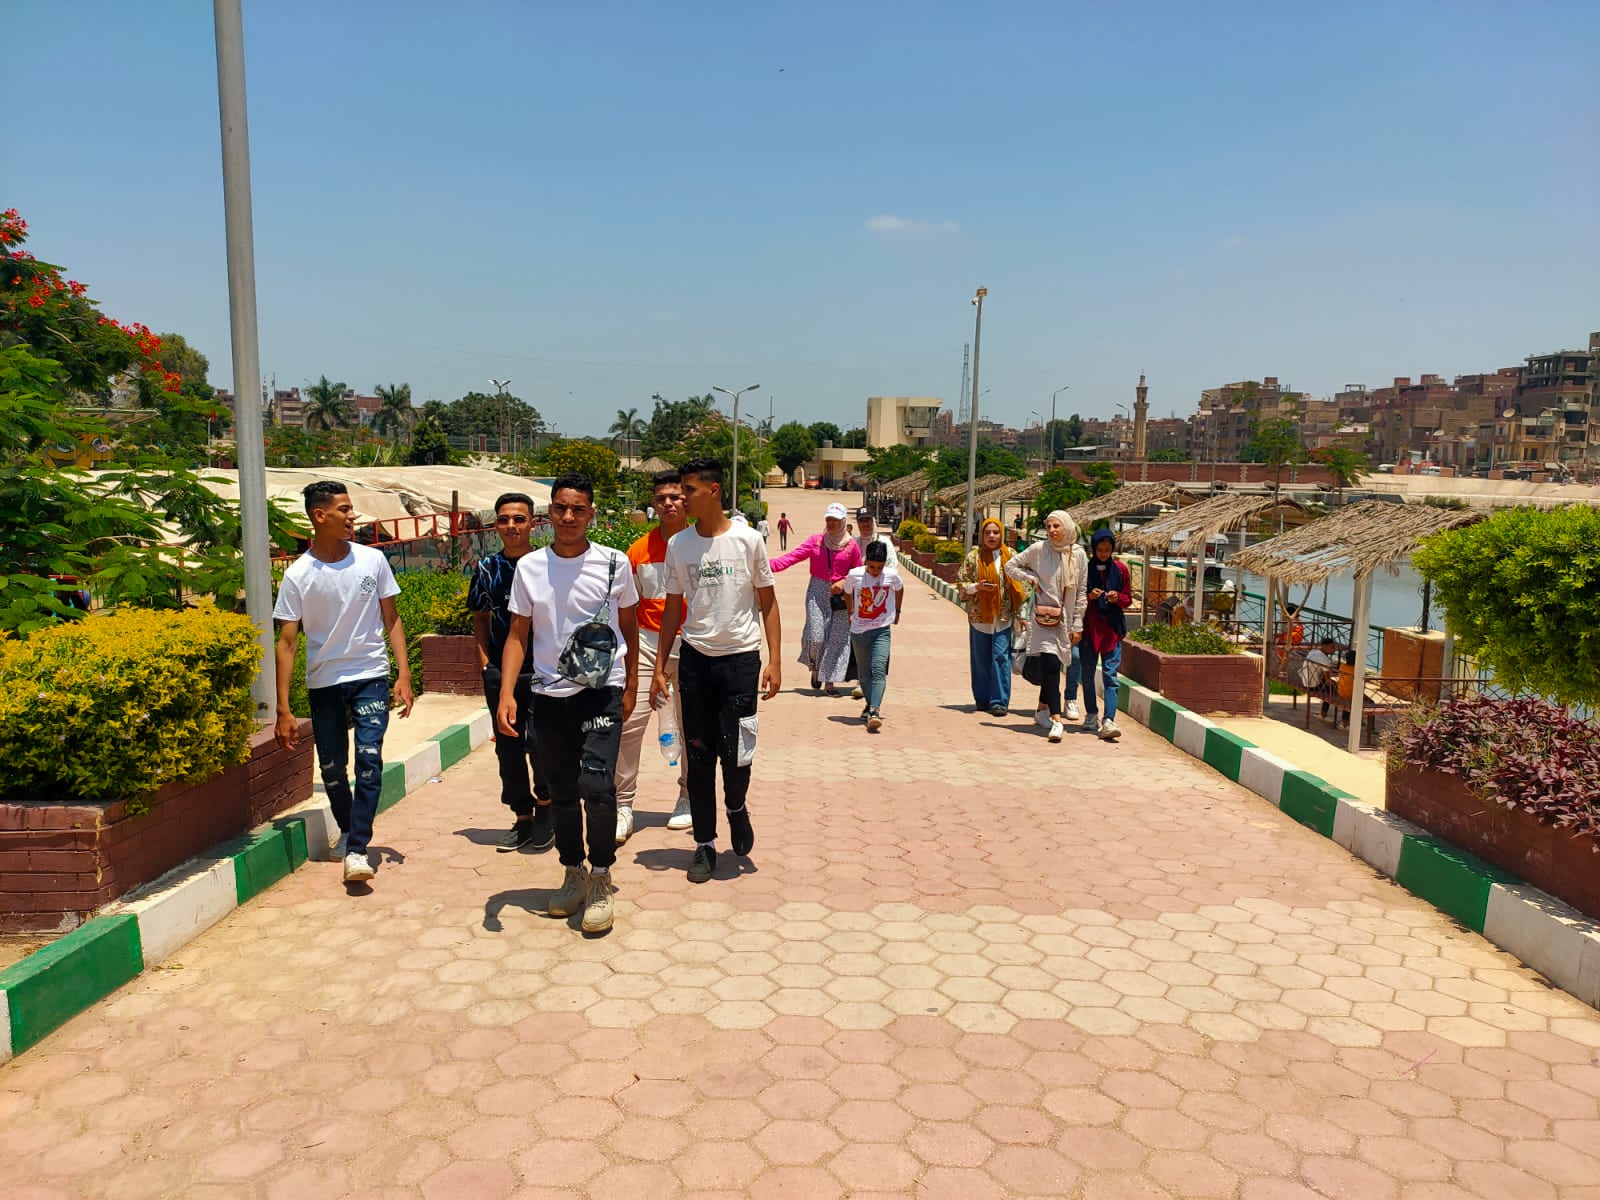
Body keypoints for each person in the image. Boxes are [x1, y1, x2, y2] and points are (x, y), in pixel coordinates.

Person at [497, 473, 640, 934]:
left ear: (591, 514)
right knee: (560, 791)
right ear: (549, 513)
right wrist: (506, 694)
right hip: (548, 695)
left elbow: (629, 626)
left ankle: (601, 877)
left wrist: (632, 682)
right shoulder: (530, 567)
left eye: (578, 509)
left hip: (601, 691)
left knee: (596, 786)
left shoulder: (614, 563)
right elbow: (518, 633)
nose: (568, 516)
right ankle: (573, 871)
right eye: (561, 507)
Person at [273, 481, 415, 884]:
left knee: (369, 760)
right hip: (324, 683)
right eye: (345, 509)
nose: (353, 516)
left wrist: (404, 674)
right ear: (320, 516)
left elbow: (392, 618)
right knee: (333, 770)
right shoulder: (298, 575)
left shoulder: (372, 560)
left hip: (370, 675)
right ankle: (350, 830)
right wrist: (283, 708)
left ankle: (356, 849)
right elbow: (287, 642)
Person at [651, 457, 781, 885]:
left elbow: (768, 602)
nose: (681, 498)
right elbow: (673, 609)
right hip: (696, 660)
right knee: (700, 753)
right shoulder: (679, 545)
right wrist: (660, 666)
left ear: (714, 491)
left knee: (738, 751)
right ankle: (704, 843)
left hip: (740, 660)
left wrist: (775, 660)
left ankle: (737, 807)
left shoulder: (748, 541)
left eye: (688, 490)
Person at [469, 492, 554, 852]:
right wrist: (485, 664)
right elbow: (480, 617)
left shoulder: (548, 564)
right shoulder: (487, 568)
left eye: (519, 519)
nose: (511, 526)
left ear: (533, 523)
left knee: (541, 743)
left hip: (544, 670)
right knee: (508, 747)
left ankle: (547, 807)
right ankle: (522, 816)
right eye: (504, 519)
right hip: (502, 674)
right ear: (496, 525)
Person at [615, 471, 693, 841]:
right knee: (630, 723)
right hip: (647, 645)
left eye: (675, 497)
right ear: (653, 504)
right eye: (661, 498)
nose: (668, 503)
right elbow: (627, 608)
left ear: (687, 501)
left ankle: (687, 796)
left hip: (692, 644)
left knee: (691, 727)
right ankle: (623, 804)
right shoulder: (638, 551)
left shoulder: (701, 546)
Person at [1005, 510, 1088, 742]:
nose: (1051, 530)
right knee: (1051, 664)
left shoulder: (1078, 554)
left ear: (1067, 527)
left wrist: (1078, 624)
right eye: (1049, 526)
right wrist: (1031, 578)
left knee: (1054, 664)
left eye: (1056, 526)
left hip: (1065, 620)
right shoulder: (1039, 550)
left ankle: (1042, 710)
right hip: (1041, 619)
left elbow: (1081, 591)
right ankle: (1056, 719)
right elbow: (1010, 566)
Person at [771, 502, 863, 695]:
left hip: (841, 596)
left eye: (835, 520)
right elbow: (792, 557)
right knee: (816, 636)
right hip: (817, 592)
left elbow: (859, 573)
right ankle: (816, 667)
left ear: (843, 522)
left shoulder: (851, 546)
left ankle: (829, 682)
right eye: (828, 519)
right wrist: (765, 566)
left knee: (836, 639)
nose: (831, 523)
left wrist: (844, 581)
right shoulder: (816, 541)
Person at [959, 517, 1028, 717]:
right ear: (981, 535)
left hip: (1003, 617)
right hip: (979, 617)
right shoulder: (973, 557)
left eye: (995, 532)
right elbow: (962, 583)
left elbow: (1023, 584)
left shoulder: (1011, 556)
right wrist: (976, 587)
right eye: (987, 532)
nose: (991, 536)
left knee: (1000, 657)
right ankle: (982, 699)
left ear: (1001, 534)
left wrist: (1022, 614)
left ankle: (999, 701)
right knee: (980, 660)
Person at [832, 540, 905, 731]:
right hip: (859, 631)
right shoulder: (855, 575)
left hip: (882, 629)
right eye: (872, 567)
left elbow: (900, 588)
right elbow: (848, 592)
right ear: (866, 563)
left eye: (879, 568)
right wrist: (850, 612)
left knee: (878, 669)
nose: (875, 571)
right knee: (864, 673)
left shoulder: (891, 576)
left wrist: (897, 611)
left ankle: (874, 710)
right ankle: (869, 704)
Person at [1081, 527, 1132, 741]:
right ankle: (1091, 713)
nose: (1103, 554)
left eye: (1107, 550)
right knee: (1087, 674)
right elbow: (1077, 597)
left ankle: (1109, 719)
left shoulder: (1120, 570)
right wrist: (1090, 597)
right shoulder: (1085, 569)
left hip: (1112, 629)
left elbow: (1128, 599)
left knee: (1110, 675)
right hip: (1090, 629)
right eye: (1100, 550)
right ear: (1094, 549)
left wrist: (1117, 597)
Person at [1302, 634, 1339, 719]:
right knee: (1332, 691)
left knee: (1332, 686)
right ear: (1324, 646)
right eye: (1332, 647)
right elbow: (1327, 681)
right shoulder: (1325, 660)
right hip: (1312, 686)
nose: (1334, 650)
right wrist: (1337, 685)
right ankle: (1323, 714)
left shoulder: (1313, 651)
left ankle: (1323, 714)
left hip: (1305, 680)